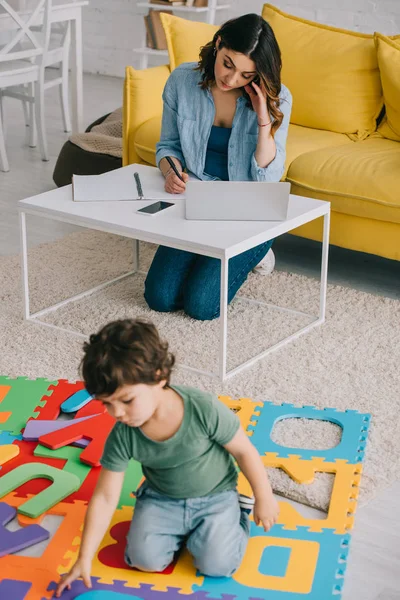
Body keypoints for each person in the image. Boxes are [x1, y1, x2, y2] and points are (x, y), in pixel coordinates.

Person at [55, 319, 279, 597]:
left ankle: (238, 514)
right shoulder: (123, 433)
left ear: (159, 376)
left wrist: (264, 497)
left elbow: (244, 451)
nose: (117, 414)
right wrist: (84, 558)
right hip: (161, 498)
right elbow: (105, 497)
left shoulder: (203, 408)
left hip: (216, 496)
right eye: (107, 404)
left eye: (126, 401)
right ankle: (190, 532)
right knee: (143, 561)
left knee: (217, 565)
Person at [144, 13, 292, 321]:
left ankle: (257, 249)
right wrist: (171, 171)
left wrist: (264, 119)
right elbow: (168, 146)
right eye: (227, 64)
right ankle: (209, 252)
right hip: (197, 202)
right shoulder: (182, 81)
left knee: (202, 305)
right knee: (159, 297)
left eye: (246, 75)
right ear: (218, 43)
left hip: (247, 211)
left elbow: (270, 177)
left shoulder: (279, 98)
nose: (232, 79)